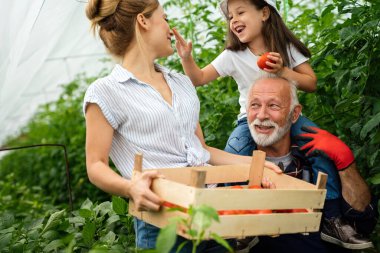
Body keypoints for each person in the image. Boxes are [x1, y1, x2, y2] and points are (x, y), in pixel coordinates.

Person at [83, 1, 280, 252]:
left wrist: (258, 167)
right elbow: (96, 165)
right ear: (143, 21)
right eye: (164, 18)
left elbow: (202, 150)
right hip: (161, 217)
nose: (169, 27)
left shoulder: (181, 84)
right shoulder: (106, 91)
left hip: (211, 209)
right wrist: (131, 187)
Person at [172, 0, 363, 250]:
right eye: (231, 16)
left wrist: (283, 70)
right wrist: (186, 58)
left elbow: (310, 82)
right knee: (233, 153)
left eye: (241, 12)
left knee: (321, 151)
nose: (234, 20)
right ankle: (240, 220)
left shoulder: (284, 48)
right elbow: (198, 79)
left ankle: (332, 218)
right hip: (248, 121)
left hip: (286, 118)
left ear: (264, 13)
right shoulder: (233, 55)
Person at [245, 75, 377, 252]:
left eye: (273, 105)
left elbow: (363, 223)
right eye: (255, 105)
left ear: (295, 114)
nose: (261, 115)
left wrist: (345, 162)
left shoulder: (319, 162)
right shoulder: (234, 164)